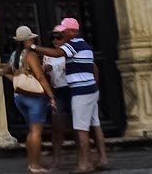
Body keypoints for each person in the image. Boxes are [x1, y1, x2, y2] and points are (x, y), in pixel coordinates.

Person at [33, 17, 106, 173]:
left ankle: (84, 164)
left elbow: (56, 53)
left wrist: (33, 46)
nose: (61, 35)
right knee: (93, 124)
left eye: (63, 32)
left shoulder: (74, 44)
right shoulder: (83, 45)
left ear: (73, 31)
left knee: (81, 129)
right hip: (86, 90)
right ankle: (100, 160)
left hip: (80, 91)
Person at [4, 25, 57, 174]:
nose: (34, 39)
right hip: (34, 97)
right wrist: (51, 96)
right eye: (32, 38)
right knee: (36, 132)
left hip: (19, 96)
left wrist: (16, 80)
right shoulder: (31, 55)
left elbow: (5, 71)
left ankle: (32, 161)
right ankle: (34, 165)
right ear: (27, 40)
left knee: (31, 131)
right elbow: (40, 77)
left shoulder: (15, 55)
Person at [43, 37, 70, 170]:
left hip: (72, 89)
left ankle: (88, 157)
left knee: (81, 127)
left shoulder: (71, 52)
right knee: (57, 126)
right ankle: (56, 160)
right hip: (58, 91)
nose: (55, 40)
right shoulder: (48, 56)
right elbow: (45, 77)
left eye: (59, 38)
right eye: (53, 38)